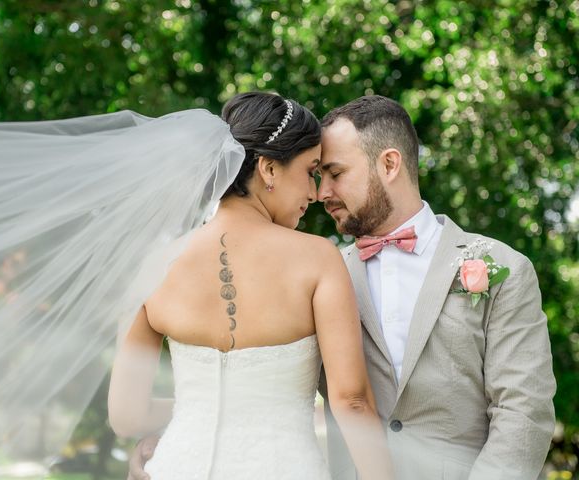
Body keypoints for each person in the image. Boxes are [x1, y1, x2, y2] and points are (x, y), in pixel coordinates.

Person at [128, 95, 556, 480]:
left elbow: (523, 414)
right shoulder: (320, 270)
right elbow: (262, 386)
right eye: (316, 173)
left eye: (333, 173)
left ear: (389, 164)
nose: (321, 192)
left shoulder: (502, 268)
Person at [108, 92, 393, 480]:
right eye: (310, 171)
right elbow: (352, 402)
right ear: (269, 169)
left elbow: (126, 416)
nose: (314, 193)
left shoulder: (156, 266)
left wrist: (200, 408)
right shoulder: (317, 260)